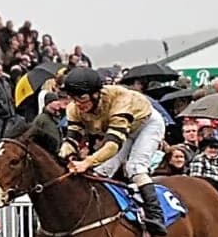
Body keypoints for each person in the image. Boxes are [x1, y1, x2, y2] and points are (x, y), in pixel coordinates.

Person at [60, 69, 169, 228]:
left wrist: (87, 161)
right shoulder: (74, 108)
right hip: (123, 130)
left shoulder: (120, 101)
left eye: (81, 98)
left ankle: (156, 214)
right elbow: (72, 138)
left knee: (135, 167)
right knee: (102, 170)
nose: (77, 103)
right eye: (73, 97)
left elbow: (112, 145)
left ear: (96, 94)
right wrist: (63, 155)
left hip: (147, 124)